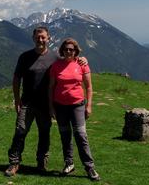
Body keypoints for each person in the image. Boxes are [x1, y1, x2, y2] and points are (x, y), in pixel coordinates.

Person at [5, 27, 87, 177]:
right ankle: (14, 162)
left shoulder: (56, 57)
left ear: (48, 38)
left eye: (43, 37)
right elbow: (16, 79)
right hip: (27, 103)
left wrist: (82, 59)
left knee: (44, 133)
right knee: (20, 131)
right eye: (38, 37)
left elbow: (70, 61)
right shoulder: (25, 57)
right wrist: (17, 100)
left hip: (45, 105)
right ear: (33, 38)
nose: (40, 40)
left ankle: (42, 162)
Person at [49, 38, 100, 181]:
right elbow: (51, 88)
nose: (68, 51)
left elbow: (89, 87)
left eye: (71, 49)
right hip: (60, 106)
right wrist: (51, 107)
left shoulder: (82, 64)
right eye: (66, 49)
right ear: (62, 51)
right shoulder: (56, 66)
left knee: (81, 135)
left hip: (77, 105)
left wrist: (89, 106)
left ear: (76, 51)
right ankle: (69, 163)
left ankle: (89, 167)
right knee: (65, 136)